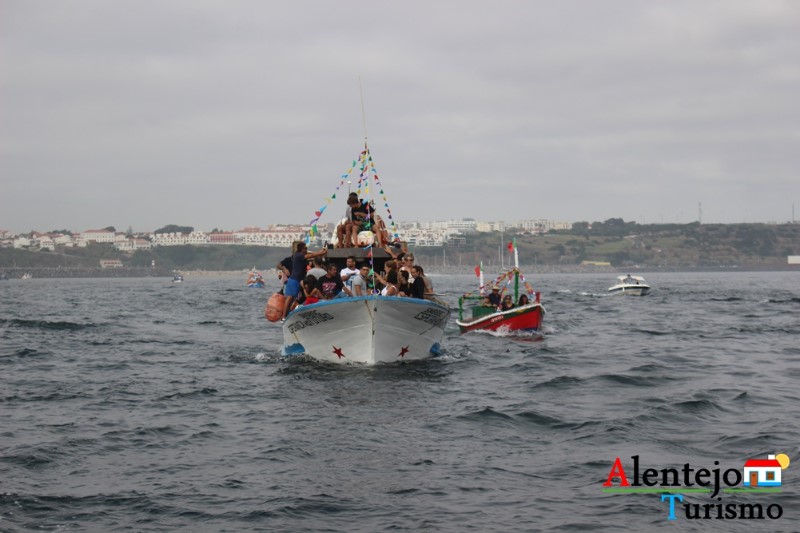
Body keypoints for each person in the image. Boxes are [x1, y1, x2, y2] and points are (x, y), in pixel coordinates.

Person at [281, 242, 327, 321]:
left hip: (298, 280)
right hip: (294, 280)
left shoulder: (300, 255)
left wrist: (320, 252)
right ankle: (283, 317)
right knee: (289, 298)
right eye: (305, 248)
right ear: (301, 249)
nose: (306, 249)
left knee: (293, 298)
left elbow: (311, 254)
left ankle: (288, 314)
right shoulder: (299, 255)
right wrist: (320, 253)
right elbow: (311, 255)